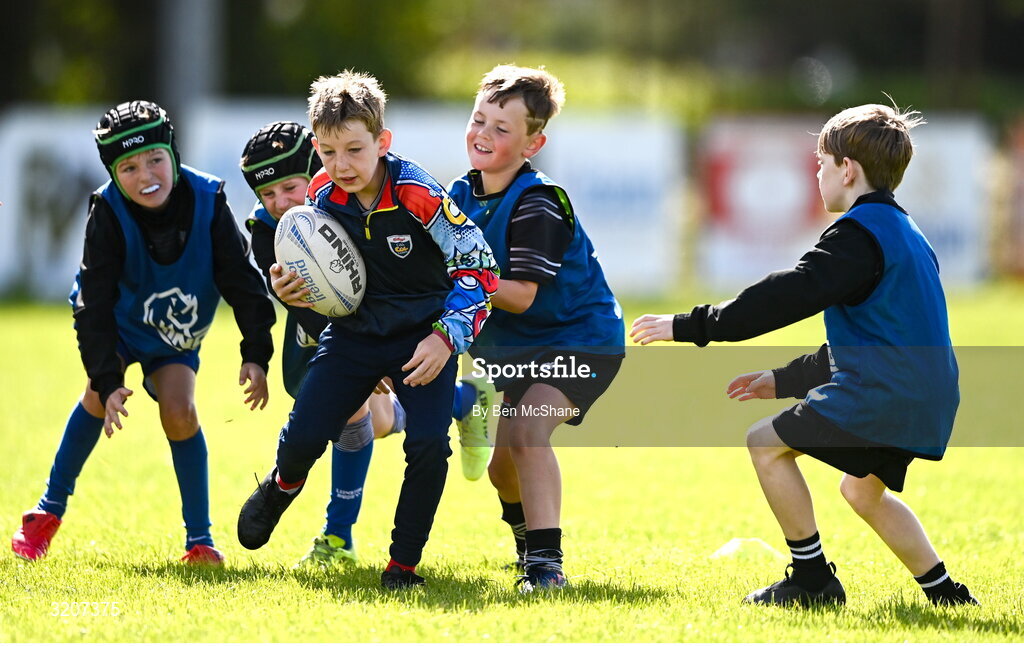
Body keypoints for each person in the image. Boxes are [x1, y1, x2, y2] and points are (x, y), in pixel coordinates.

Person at [630, 103, 978, 607]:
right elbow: (876, 337)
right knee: (861, 491)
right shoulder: (908, 233)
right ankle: (947, 595)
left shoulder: (857, 236)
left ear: (847, 169)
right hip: (931, 395)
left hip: (889, 392)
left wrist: (691, 325)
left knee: (764, 444)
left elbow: (788, 295)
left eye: (820, 162)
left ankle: (812, 582)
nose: (816, 172)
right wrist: (785, 378)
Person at [236, 71, 498, 590]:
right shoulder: (319, 196)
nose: (342, 166)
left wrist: (446, 337)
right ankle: (282, 485)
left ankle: (402, 565)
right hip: (354, 335)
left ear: (383, 142)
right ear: (316, 149)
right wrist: (290, 288)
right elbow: (317, 276)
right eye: (329, 153)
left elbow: (481, 269)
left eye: (355, 150)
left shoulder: (419, 194)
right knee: (305, 437)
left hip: (423, 340)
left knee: (427, 446)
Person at [12, 100, 276, 566]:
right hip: (117, 324)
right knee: (96, 394)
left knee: (180, 411)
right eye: (129, 167)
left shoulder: (210, 199)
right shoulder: (107, 210)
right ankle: (45, 513)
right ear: (113, 173)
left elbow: (242, 280)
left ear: (173, 154)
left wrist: (255, 351)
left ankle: (199, 541)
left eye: (156, 159)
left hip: (173, 335)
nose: (145, 174)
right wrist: (108, 379)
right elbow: (91, 303)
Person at [447, 65, 625, 591]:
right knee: (502, 468)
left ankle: (546, 567)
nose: (483, 134)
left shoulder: (538, 202)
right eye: (479, 119)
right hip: (511, 351)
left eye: (502, 129)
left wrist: (454, 276)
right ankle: (527, 544)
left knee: (526, 431)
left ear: (533, 143)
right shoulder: (458, 194)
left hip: (581, 342)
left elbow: (521, 296)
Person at [240, 120, 410, 569]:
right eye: (267, 194)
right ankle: (466, 399)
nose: (280, 203)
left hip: (383, 323)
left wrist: (371, 348)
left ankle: (337, 538)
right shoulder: (266, 231)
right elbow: (299, 302)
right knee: (369, 420)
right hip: (317, 329)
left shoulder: (357, 204)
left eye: (290, 187)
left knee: (352, 414)